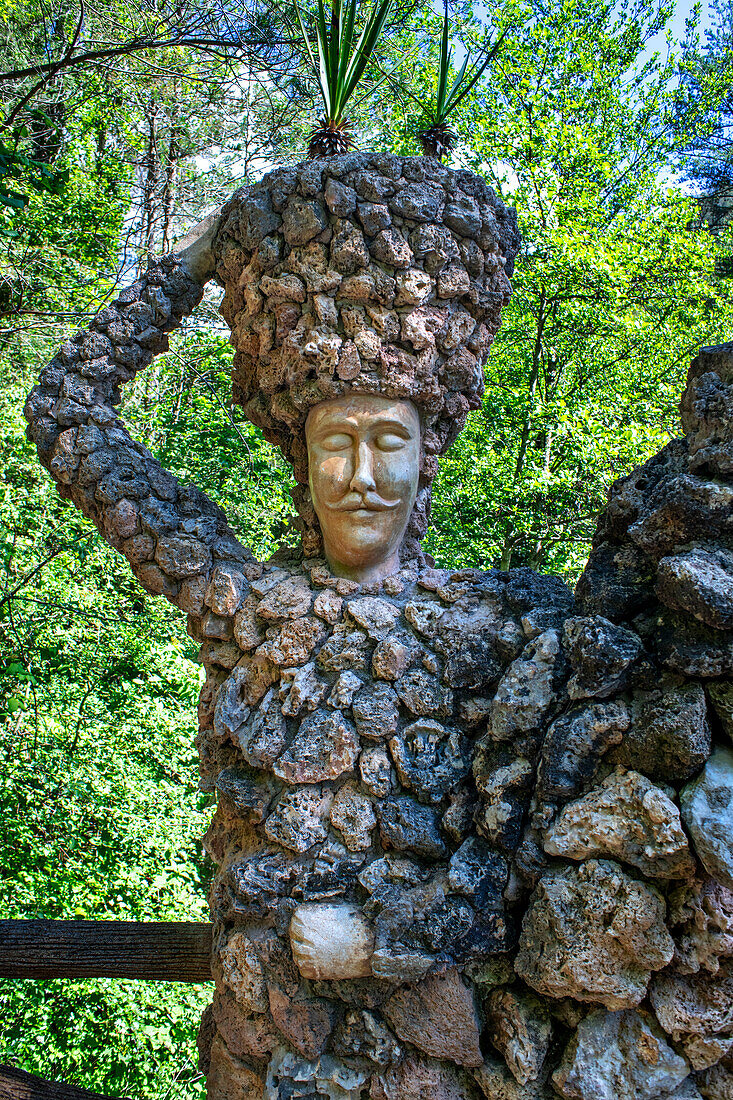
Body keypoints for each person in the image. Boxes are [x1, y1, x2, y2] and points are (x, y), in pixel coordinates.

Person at [25, 153, 733, 1100]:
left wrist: (385, 940)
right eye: (336, 443)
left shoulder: (506, 623)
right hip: (264, 1052)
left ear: (425, 459)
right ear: (303, 460)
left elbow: (528, 839)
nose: (361, 473)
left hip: (438, 1063)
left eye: (387, 441)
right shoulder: (245, 604)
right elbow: (67, 413)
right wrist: (186, 268)